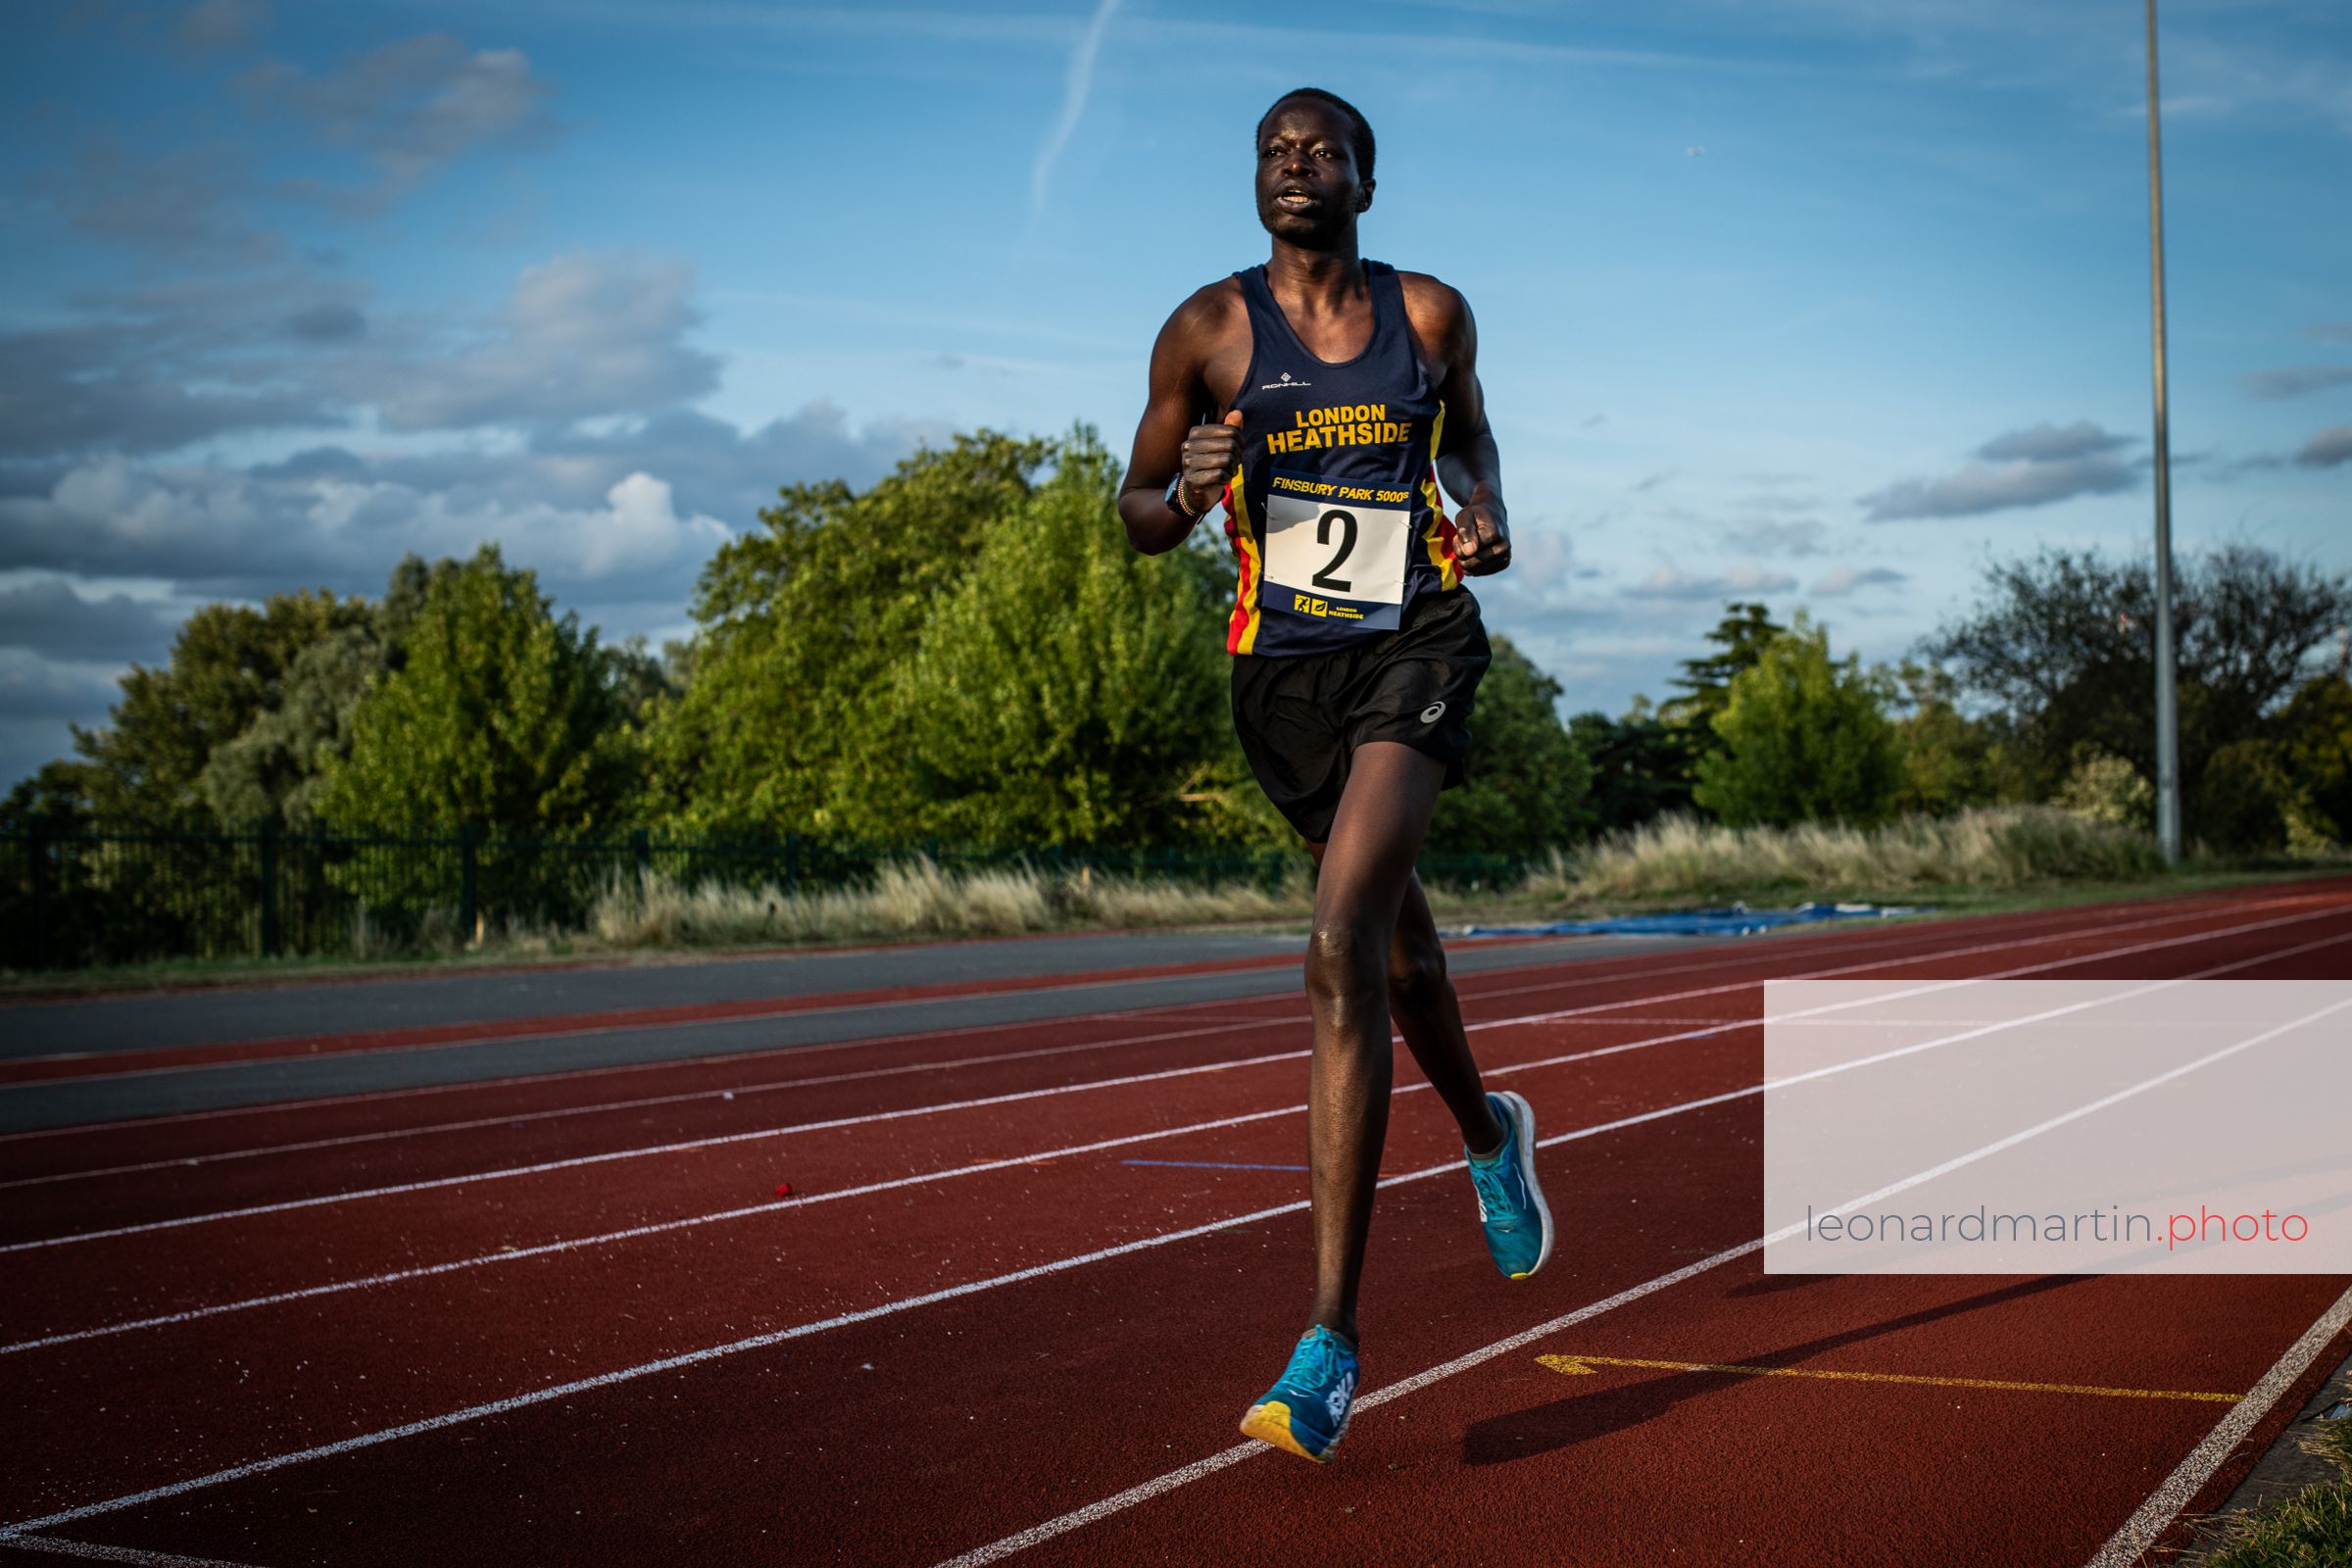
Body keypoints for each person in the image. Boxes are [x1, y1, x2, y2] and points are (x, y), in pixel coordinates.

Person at [1116, 86, 1552, 1464]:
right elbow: (1136, 513)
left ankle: (1329, 1340)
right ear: (1255, 179)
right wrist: (1188, 492)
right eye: (1275, 151)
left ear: (1368, 180)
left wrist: (1484, 506)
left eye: (1324, 152)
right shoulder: (1205, 329)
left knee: (1335, 944)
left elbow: (1471, 436)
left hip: (1415, 644)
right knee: (1400, 956)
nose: (1296, 166)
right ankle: (1487, 1133)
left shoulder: (1429, 315)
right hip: (1282, 682)